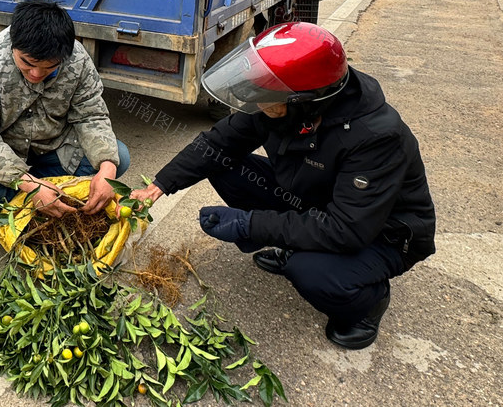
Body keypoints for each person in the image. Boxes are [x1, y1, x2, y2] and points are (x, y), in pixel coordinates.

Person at [130, 22, 435, 350]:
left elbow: (346, 230)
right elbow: (216, 145)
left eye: (267, 97)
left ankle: (368, 302)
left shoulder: (376, 137)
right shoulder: (278, 99)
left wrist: (251, 225)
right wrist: (159, 185)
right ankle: (297, 246)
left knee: (311, 273)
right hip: (317, 200)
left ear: (307, 102)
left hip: (382, 234)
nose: (259, 104)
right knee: (221, 163)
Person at [0, 0, 130, 217]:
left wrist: (107, 167)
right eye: (27, 63)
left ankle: (37, 192)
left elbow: (90, 115)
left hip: (54, 148)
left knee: (116, 158)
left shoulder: (77, 59)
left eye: (49, 68)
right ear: (13, 45)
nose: (36, 74)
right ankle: (33, 191)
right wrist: (29, 184)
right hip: (5, 150)